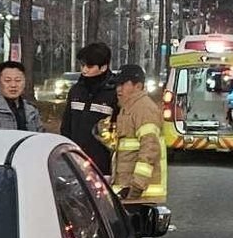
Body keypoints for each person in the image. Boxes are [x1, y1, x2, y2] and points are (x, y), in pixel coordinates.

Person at [59, 41, 118, 175]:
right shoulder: (76, 90)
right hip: (75, 160)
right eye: (83, 65)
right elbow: (66, 126)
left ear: (103, 67)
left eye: (90, 66)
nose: (84, 69)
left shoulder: (114, 93)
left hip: (103, 164)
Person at [111, 63, 167, 203]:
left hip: (140, 195)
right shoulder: (128, 108)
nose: (119, 89)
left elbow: (150, 149)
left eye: (123, 84)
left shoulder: (143, 109)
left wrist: (136, 186)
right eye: (117, 85)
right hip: (127, 192)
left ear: (138, 86)